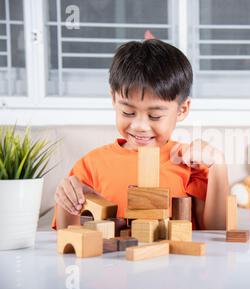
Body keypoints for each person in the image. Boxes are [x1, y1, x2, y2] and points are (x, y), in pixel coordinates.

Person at [53, 39, 228, 230]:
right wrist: (68, 202)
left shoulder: (189, 163)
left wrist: (218, 165)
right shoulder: (90, 166)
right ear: (114, 99)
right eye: (128, 112)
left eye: (155, 116)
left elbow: (216, 234)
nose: (140, 126)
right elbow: (67, 236)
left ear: (182, 110)